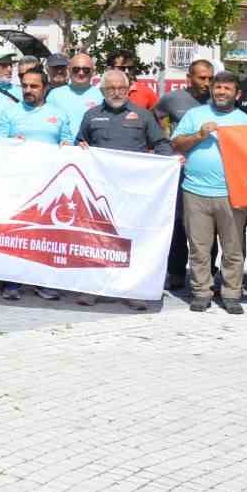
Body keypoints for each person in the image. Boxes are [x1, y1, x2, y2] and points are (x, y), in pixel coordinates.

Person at [73, 68, 175, 310]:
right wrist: (80, 147)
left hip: (134, 192)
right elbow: (80, 142)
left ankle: (133, 290)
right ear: (102, 90)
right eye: (111, 88)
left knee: (132, 238)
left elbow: (161, 143)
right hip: (100, 192)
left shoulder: (143, 116)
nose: (116, 92)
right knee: (98, 239)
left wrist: (169, 163)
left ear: (128, 90)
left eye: (121, 88)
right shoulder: (91, 115)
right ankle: (93, 289)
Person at [170, 71, 247, 314]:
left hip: (233, 193)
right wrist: (199, 135)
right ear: (211, 90)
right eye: (217, 87)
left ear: (237, 94)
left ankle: (231, 293)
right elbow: (176, 143)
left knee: (233, 248)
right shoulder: (195, 115)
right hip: (195, 191)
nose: (221, 92)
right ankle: (201, 292)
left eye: (227, 89)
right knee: (199, 247)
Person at [0, 65, 73, 301]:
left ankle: (43, 282)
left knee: (46, 235)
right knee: (17, 231)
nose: (28, 90)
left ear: (45, 88)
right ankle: (11, 282)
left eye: (34, 86)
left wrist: (68, 147)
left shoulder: (58, 114)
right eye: (25, 86)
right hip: (17, 183)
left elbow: (67, 141)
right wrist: (8, 142)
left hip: (49, 185)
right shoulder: (9, 113)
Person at [154, 59, 217, 292]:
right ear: (188, 78)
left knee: (210, 226)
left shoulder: (216, 100)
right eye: (202, 78)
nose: (207, 83)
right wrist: (165, 141)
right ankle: (177, 271)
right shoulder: (173, 99)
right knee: (179, 222)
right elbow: (158, 114)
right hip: (180, 171)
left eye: (210, 78)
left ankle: (208, 271)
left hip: (209, 174)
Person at [46, 52, 101, 132]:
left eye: (86, 70)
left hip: (90, 143)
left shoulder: (101, 95)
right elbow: (46, 123)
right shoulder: (54, 95)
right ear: (69, 70)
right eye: (76, 69)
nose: (81, 73)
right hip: (62, 143)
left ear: (93, 71)